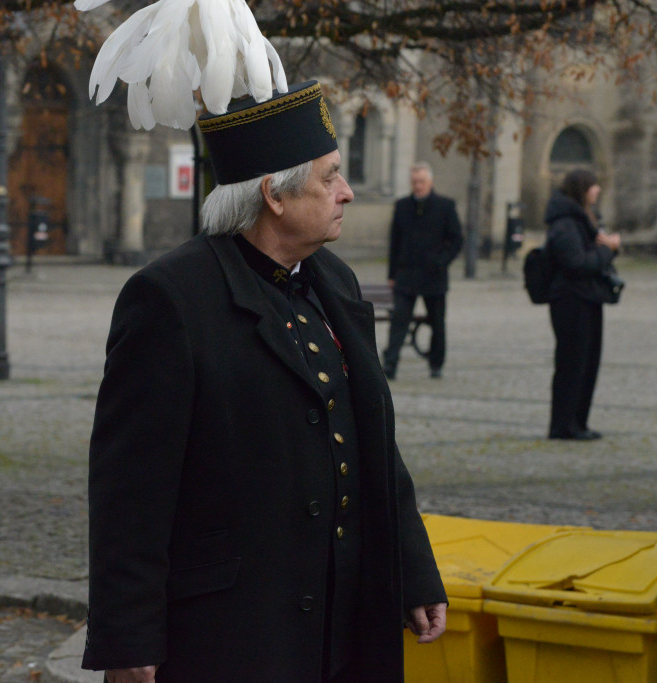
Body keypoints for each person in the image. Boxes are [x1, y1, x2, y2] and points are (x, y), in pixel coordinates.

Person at [83, 81, 448, 683]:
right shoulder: (171, 299)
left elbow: (374, 441)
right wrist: (128, 639)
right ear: (272, 196)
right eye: (329, 178)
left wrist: (410, 567)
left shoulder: (336, 281)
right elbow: (131, 492)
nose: (347, 193)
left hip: (344, 618)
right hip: (236, 632)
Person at [545, 169, 621, 441]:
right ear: (581, 189)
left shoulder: (585, 219)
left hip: (589, 297)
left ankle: (578, 421)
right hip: (570, 299)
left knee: (588, 363)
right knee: (572, 363)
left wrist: (609, 248)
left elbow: (594, 255)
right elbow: (576, 263)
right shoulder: (565, 223)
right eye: (593, 186)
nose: (598, 190)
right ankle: (563, 424)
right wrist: (606, 250)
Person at [382, 162, 463, 379]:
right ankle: (390, 363)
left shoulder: (445, 206)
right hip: (406, 275)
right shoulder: (402, 206)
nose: (418, 186)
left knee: (437, 323)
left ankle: (436, 364)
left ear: (430, 182)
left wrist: (442, 261)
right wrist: (392, 275)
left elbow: (456, 240)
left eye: (422, 182)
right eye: (414, 182)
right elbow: (394, 243)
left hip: (434, 276)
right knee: (399, 322)